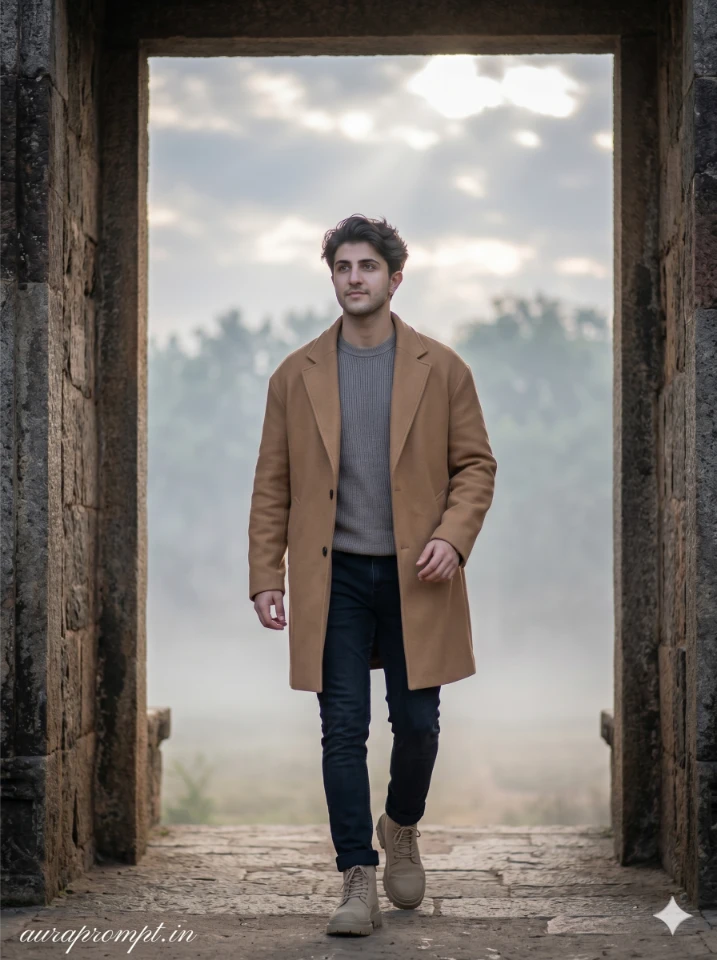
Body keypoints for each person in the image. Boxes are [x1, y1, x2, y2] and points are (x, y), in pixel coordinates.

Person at [248, 214, 497, 937]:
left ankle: (402, 825)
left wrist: (452, 538)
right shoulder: (294, 375)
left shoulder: (441, 368)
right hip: (334, 580)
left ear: (395, 277)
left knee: (417, 726)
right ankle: (356, 874)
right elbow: (271, 483)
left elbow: (475, 466)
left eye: (367, 266)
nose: (354, 278)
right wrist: (266, 573)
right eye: (342, 267)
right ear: (331, 277)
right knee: (342, 729)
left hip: (418, 576)